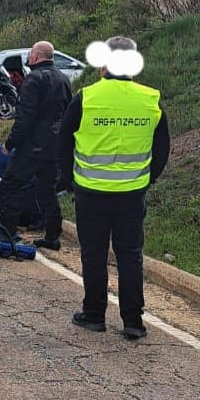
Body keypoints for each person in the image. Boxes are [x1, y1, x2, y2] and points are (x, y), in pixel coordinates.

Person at [59, 36, 170, 340]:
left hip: (90, 192)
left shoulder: (87, 97)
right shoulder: (150, 99)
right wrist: (147, 179)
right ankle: (133, 321)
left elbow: (63, 140)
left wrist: (70, 180)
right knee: (130, 255)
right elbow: (163, 149)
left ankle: (94, 315)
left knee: (93, 255)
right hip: (132, 194)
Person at [0, 41, 73, 250]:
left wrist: (10, 144)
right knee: (46, 190)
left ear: (37, 57)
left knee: (8, 187)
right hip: (55, 146)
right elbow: (68, 114)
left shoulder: (33, 80)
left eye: (30, 54)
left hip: (32, 146)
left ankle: (8, 234)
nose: (28, 58)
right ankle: (52, 236)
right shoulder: (64, 79)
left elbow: (25, 118)